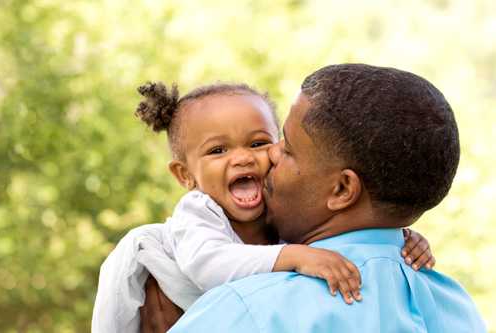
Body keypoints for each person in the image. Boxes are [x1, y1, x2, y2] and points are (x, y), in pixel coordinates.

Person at [143, 64, 486, 332]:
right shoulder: (457, 307)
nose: (269, 156)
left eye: (286, 148)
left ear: (341, 190)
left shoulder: (245, 312)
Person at [92, 80, 433, 333]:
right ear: (185, 175)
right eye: (217, 151)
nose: (242, 158)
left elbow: (350, 224)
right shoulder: (197, 213)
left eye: (258, 143)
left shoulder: (278, 205)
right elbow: (208, 265)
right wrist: (295, 257)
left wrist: (402, 238)